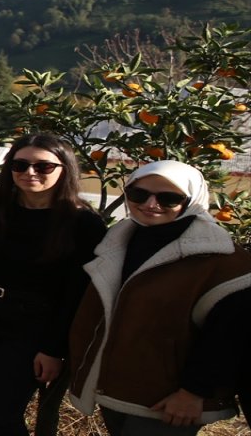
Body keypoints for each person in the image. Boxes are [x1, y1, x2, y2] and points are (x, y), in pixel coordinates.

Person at [0, 134, 107, 436]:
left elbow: (76, 292)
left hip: (34, 323)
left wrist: (54, 349)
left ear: (64, 169)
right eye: (20, 165)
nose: (30, 173)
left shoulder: (84, 224)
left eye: (43, 167)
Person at [68, 160, 251, 435]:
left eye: (169, 198)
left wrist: (193, 393)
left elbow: (229, 337)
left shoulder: (222, 260)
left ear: (193, 200)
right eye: (139, 194)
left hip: (171, 400)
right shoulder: (120, 239)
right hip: (118, 388)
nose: (150, 204)